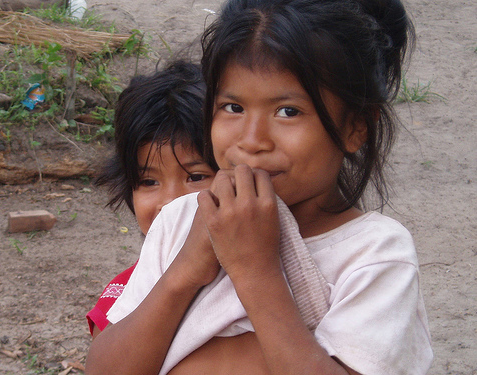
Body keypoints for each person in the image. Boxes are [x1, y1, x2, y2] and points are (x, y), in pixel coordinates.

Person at [85, 0, 433, 374]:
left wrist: (255, 271)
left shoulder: (373, 254)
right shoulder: (180, 221)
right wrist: (187, 269)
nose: (251, 141)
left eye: (288, 111)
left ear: (355, 127)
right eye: (233, 107)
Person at [85, 60, 216, 338]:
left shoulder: (263, 275)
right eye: (148, 182)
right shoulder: (122, 299)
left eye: (195, 177)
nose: (170, 202)